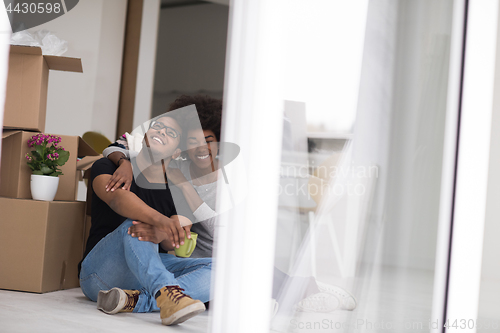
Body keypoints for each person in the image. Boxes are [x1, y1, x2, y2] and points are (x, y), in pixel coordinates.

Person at [103, 95, 356, 314]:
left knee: (244, 270)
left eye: (209, 140)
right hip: (199, 261)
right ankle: (297, 289)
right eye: (192, 142)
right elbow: (124, 145)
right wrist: (123, 161)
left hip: (228, 257)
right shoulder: (177, 168)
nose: (201, 148)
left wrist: (187, 189)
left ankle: (304, 287)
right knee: (228, 281)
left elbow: (222, 233)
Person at [79, 108, 212, 326]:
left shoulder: (177, 190)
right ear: (144, 137)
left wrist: (162, 233)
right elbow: (118, 200)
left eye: (171, 132)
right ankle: (166, 293)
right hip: (98, 273)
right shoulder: (107, 166)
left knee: (220, 269)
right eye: (157, 126)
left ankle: (138, 301)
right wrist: (161, 222)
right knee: (136, 225)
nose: (161, 131)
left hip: (144, 275)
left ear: (177, 151)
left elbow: (174, 241)